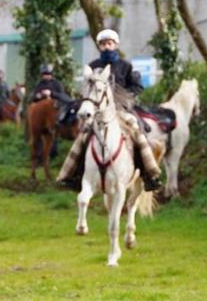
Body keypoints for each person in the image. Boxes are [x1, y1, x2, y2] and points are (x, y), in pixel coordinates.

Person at [56, 29, 162, 192]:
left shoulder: (125, 66)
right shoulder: (93, 66)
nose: (107, 46)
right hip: (98, 111)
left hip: (121, 110)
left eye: (109, 43)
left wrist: (125, 98)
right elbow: (86, 88)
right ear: (99, 46)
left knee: (137, 131)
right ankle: (72, 175)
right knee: (83, 136)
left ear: (115, 45)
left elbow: (136, 87)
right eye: (103, 44)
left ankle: (149, 175)